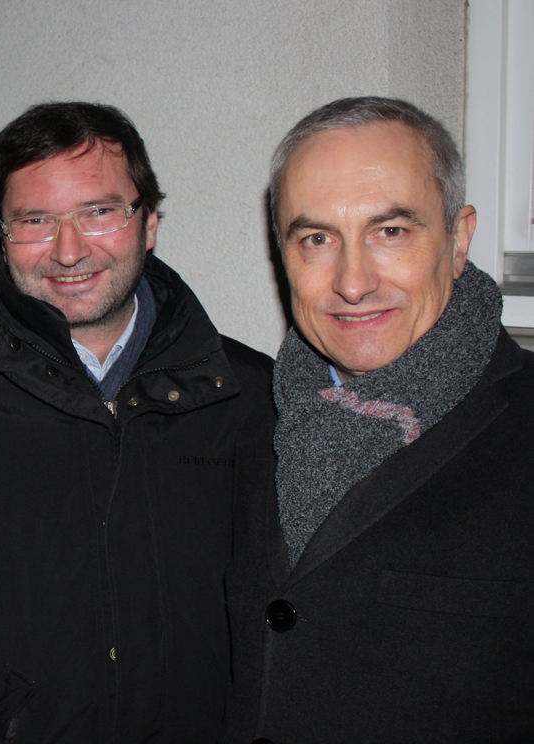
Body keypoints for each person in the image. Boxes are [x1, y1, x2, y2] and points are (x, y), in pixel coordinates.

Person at [0, 102, 273, 743]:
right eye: (35, 220)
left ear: (148, 223)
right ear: (3, 235)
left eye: (99, 212)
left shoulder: (245, 393)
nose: (69, 250)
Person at [225, 96, 534, 742]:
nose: (352, 282)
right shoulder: (243, 421)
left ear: (458, 239)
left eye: (389, 231)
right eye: (316, 239)